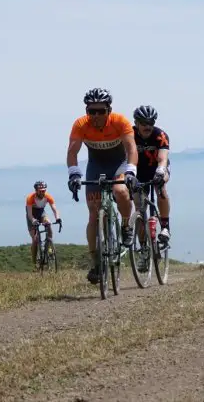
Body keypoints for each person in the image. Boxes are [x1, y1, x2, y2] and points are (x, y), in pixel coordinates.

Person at [67, 88, 138, 284]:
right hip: (96, 166)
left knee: (120, 190)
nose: (96, 115)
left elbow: (131, 148)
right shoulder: (81, 124)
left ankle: (125, 226)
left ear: (109, 109)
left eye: (100, 111)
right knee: (93, 211)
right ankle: (96, 262)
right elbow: (72, 152)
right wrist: (74, 174)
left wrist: (131, 171)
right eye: (92, 111)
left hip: (119, 164)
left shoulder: (119, 122)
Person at [132, 105, 172, 270]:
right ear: (136, 122)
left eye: (151, 122)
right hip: (138, 172)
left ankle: (165, 227)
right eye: (143, 122)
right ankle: (143, 250)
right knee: (139, 209)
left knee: (161, 189)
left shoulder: (160, 135)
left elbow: (163, 159)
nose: (147, 126)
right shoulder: (130, 135)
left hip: (157, 168)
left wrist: (161, 171)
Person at [26, 180, 62, 268]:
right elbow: (29, 214)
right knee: (35, 239)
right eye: (40, 191)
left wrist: (57, 218)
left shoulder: (48, 197)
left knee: (48, 223)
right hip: (32, 214)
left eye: (44, 191)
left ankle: (49, 245)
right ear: (36, 190)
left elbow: (54, 209)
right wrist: (33, 220)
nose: (43, 192)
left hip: (41, 213)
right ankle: (34, 263)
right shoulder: (30, 198)